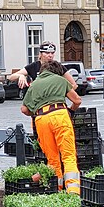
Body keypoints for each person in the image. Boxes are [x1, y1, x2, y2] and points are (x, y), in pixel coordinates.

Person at [21, 60, 82, 195]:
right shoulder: (60, 80)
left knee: (52, 159)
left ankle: (57, 189)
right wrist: (71, 111)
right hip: (60, 115)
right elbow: (77, 100)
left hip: (41, 119)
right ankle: (73, 191)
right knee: (68, 155)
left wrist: (36, 110)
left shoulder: (34, 84)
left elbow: (24, 109)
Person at [8, 41, 77, 91]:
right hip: (38, 101)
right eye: (47, 53)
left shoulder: (58, 67)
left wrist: (61, 93)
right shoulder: (34, 66)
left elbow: (74, 85)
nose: (50, 55)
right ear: (40, 54)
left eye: (52, 53)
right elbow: (11, 77)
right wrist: (21, 76)